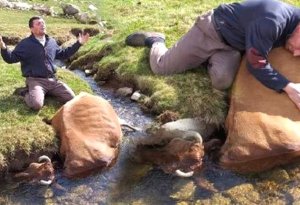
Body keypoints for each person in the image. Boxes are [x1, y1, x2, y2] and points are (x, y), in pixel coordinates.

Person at [125, 0, 300, 110]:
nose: (296, 53)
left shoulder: (293, 25)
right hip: (211, 31)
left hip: (232, 45)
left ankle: (201, 59)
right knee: (161, 67)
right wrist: (289, 87)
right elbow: (256, 62)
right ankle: (155, 40)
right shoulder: (272, 21)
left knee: (221, 81)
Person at [0, 16, 89, 111]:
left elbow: (63, 54)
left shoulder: (51, 42)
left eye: (43, 23)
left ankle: (45, 92)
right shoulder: (25, 44)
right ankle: (24, 92)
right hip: (35, 80)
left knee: (71, 98)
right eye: (38, 23)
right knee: (36, 105)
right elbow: (10, 58)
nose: (42, 25)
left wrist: (79, 43)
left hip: (52, 80)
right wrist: (2, 46)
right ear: (32, 29)